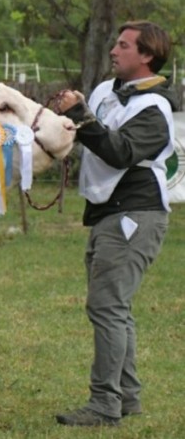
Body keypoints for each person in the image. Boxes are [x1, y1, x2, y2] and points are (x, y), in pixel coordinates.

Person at [54, 21, 176, 427]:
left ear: (147, 55)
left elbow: (120, 151)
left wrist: (79, 114)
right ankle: (127, 397)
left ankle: (105, 403)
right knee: (114, 309)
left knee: (107, 306)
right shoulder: (106, 90)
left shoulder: (155, 109)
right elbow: (88, 134)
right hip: (111, 213)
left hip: (136, 214)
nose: (113, 50)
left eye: (123, 45)